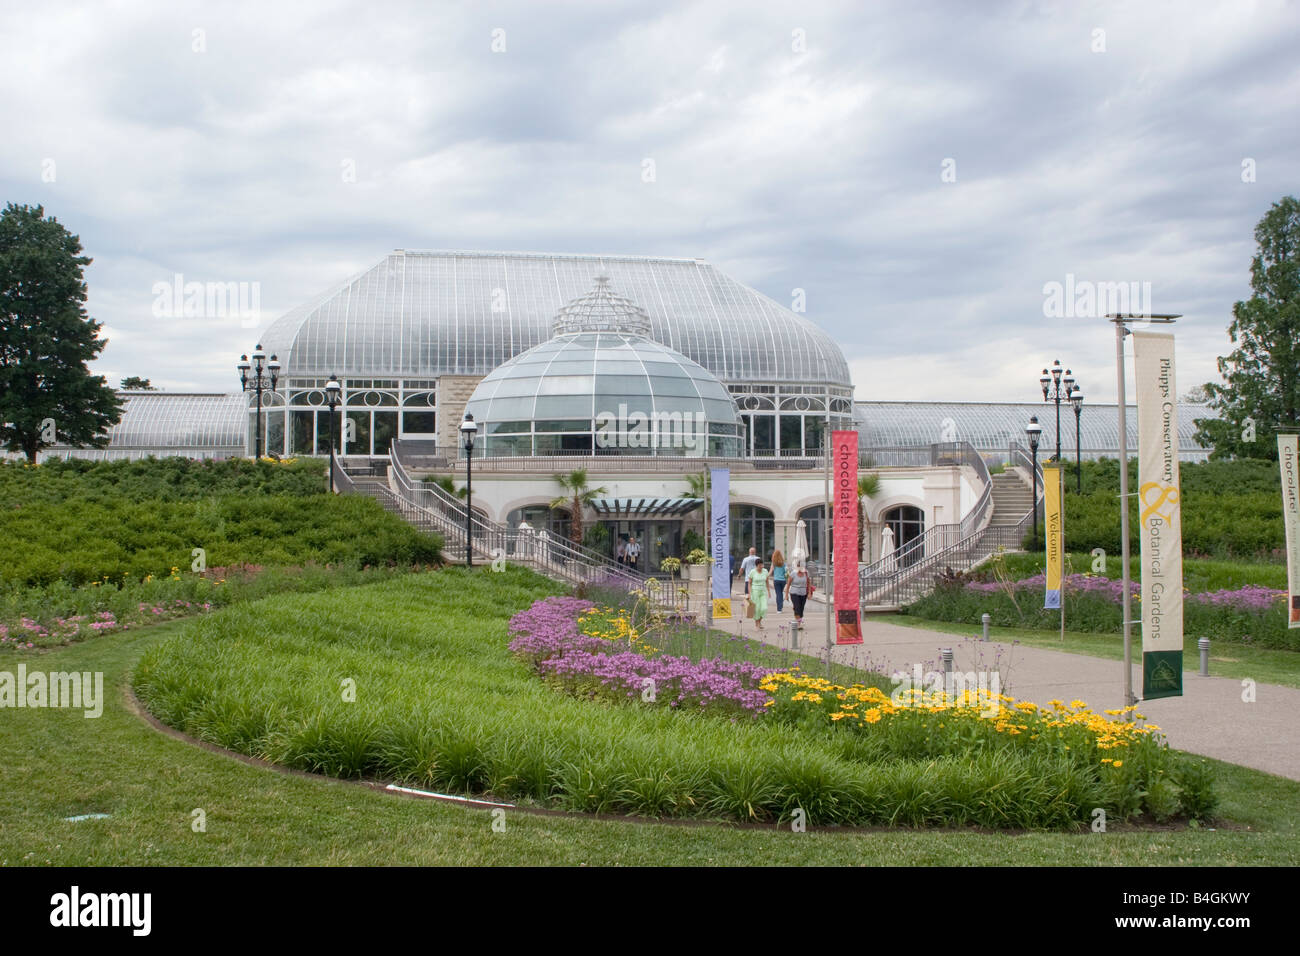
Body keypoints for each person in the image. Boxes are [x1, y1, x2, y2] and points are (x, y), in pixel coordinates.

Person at [746, 558, 773, 629]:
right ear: (757, 565)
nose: (761, 566)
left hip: (763, 591)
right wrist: (749, 593)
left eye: (762, 564)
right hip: (755, 592)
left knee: (764, 608)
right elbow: (749, 583)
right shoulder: (752, 572)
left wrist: (769, 591)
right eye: (760, 565)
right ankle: (757, 623)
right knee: (757, 609)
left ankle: (759, 621)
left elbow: (767, 581)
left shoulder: (765, 571)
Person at [786, 561, 810, 630]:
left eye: (801, 566)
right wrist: (786, 595)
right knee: (797, 608)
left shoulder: (806, 573)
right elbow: (788, 584)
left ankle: (799, 619)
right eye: (798, 566)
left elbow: (808, 583)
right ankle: (798, 624)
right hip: (794, 592)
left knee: (801, 609)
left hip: (803, 593)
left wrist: (809, 593)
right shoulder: (793, 573)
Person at [770, 549, 787, 613]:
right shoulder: (783, 563)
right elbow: (786, 572)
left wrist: (766, 576)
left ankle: (779, 609)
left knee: (778, 594)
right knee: (781, 593)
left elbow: (771, 572)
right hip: (783, 581)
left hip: (776, 580)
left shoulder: (773, 563)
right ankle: (781, 607)